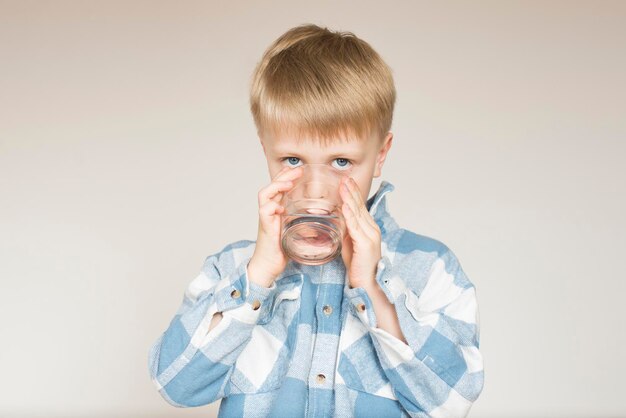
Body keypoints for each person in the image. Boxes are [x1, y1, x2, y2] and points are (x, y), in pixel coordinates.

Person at [148, 23, 484, 418]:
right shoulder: (234, 269)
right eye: (292, 160)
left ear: (380, 154)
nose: (315, 189)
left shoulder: (430, 268)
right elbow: (175, 385)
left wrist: (372, 287)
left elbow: (454, 402)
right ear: (265, 149)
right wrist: (256, 278)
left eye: (342, 162)